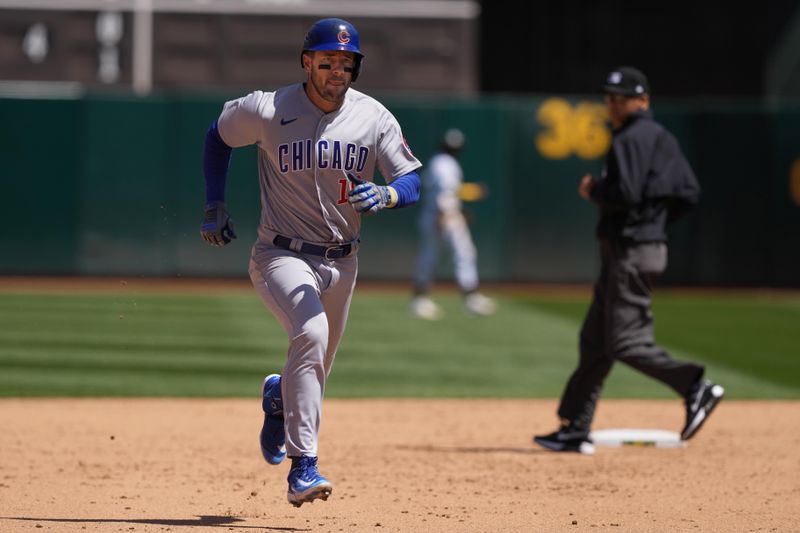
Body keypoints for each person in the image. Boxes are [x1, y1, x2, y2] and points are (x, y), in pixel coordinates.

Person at [199, 18, 421, 505]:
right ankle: (304, 467)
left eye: (346, 63)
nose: (336, 70)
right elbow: (217, 136)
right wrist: (215, 201)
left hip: (343, 261)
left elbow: (410, 180)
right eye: (327, 61)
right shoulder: (268, 107)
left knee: (317, 364)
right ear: (307, 62)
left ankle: (279, 397)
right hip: (279, 252)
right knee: (312, 334)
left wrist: (387, 194)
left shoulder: (374, 117)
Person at [534, 66, 724, 454]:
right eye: (609, 97)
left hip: (630, 251)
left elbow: (626, 193)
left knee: (624, 342)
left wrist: (595, 190)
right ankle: (575, 426)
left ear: (642, 100)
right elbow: (688, 192)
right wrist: (656, 224)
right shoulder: (661, 138)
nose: (613, 104)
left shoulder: (630, 137)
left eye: (620, 98)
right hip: (642, 247)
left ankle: (694, 387)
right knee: (595, 341)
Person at [410, 128, 496, 320]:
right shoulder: (445, 164)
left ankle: (423, 299)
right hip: (442, 215)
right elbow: (444, 192)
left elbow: (450, 190)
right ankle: (464, 298)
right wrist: (445, 215)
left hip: (439, 213)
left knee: (436, 256)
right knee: (454, 254)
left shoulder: (438, 161)